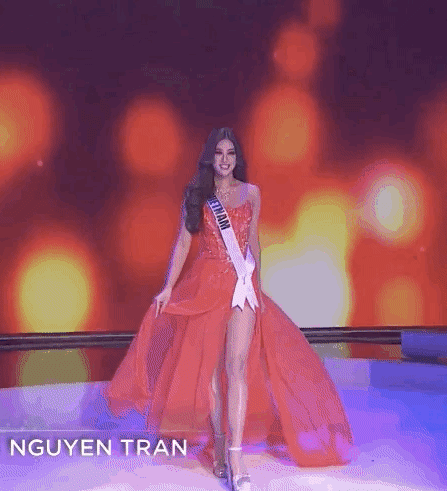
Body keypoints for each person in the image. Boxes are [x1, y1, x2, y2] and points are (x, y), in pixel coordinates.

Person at [104, 127, 354, 490]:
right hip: (205, 285)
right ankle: (219, 443)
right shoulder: (198, 195)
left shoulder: (251, 193)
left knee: (236, 367)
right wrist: (168, 287)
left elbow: (253, 242)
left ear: (237, 158)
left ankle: (236, 454)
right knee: (210, 373)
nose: (225, 160)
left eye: (231, 154)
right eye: (219, 153)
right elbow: (182, 243)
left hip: (241, 286)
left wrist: (257, 285)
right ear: (211, 157)